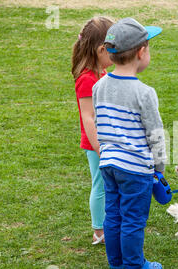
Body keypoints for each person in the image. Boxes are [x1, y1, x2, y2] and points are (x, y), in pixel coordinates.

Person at [93, 17, 166, 269]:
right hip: (135, 168)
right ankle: (135, 267)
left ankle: (116, 260)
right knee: (134, 219)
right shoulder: (144, 93)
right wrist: (159, 167)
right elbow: (155, 134)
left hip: (108, 164)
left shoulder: (99, 85)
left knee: (113, 213)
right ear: (141, 52)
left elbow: (100, 123)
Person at [72, 17, 114, 245]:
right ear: (100, 49)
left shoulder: (102, 73)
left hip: (107, 140)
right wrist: (99, 147)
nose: (117, 56)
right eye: (113, 50)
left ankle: (109, 222)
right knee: (101, 184)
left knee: (109, 183)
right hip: (96, 143)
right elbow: (88, 117)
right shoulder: (87, 79)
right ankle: (99, 230)